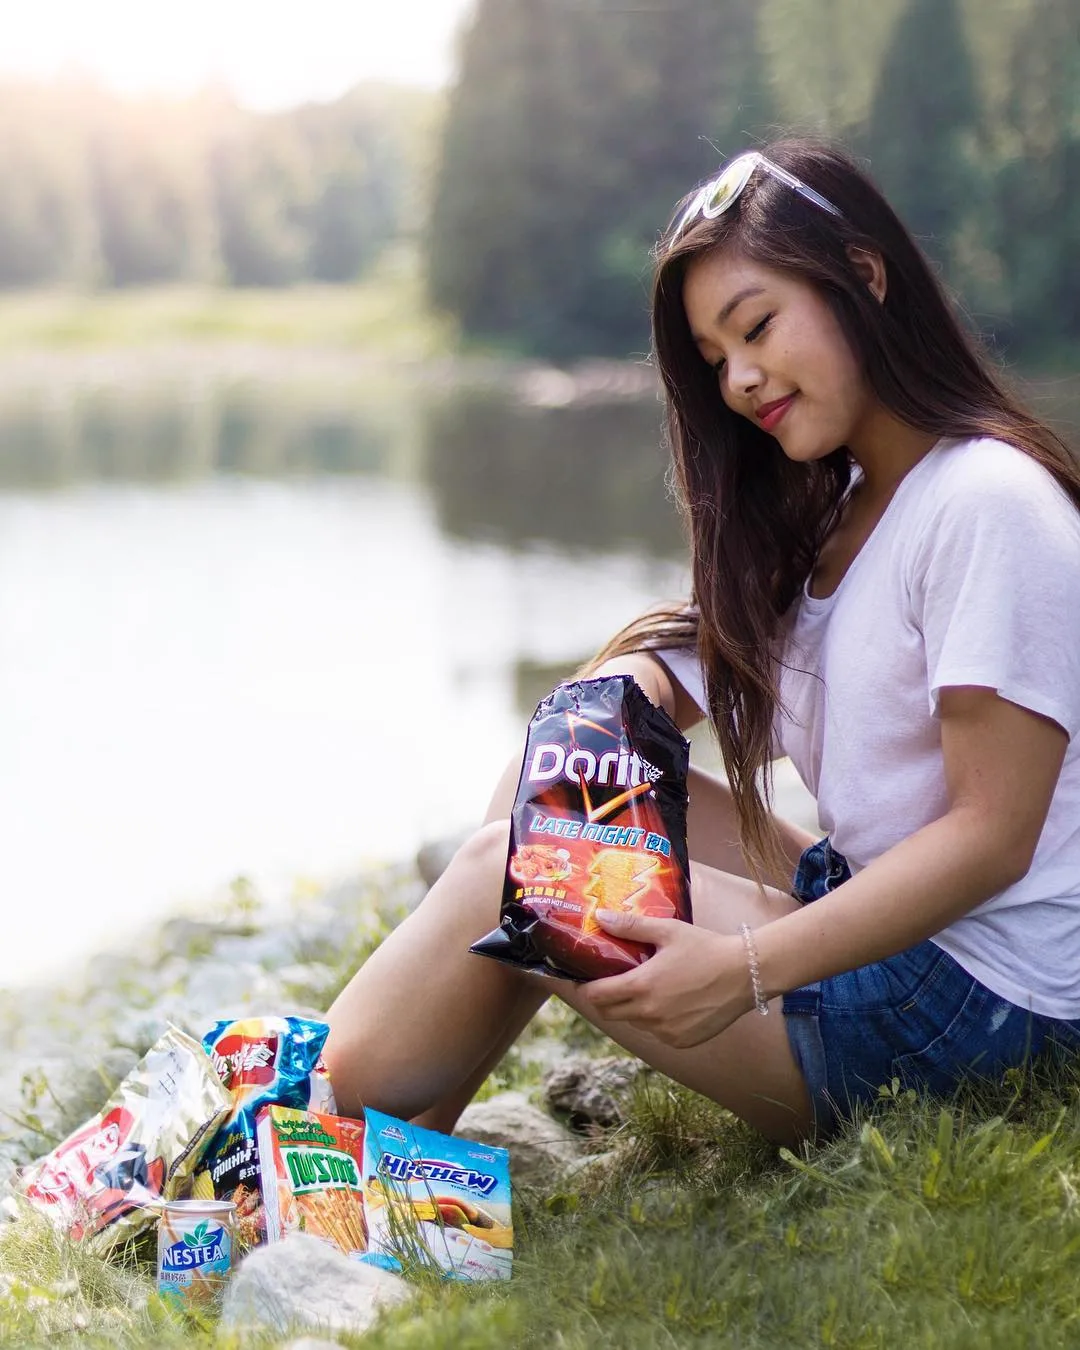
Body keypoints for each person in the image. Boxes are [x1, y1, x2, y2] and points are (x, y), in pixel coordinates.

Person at [324, 139, 1080, 1145]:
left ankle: (281, 1118)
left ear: (864, 274)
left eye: (757, 327)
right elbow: (679, 665)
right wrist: (603, 708)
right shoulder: (848, 504)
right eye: (717, 359)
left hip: (980, 1010)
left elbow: (993, 837)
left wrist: (744, 971)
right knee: (546, 796)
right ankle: (379, 1158)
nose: (740, 380)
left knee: (512, 869)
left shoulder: (986, 503)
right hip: (889, 927)